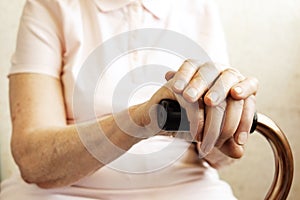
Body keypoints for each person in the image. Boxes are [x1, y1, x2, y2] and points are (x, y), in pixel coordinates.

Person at [1, 0, 258, 199]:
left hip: (184, 188)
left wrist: (226, 125)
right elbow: (33, 161)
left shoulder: (197, 7)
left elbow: (219, 157)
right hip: (60, 191)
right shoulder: (51, 6)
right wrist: (144, 119)